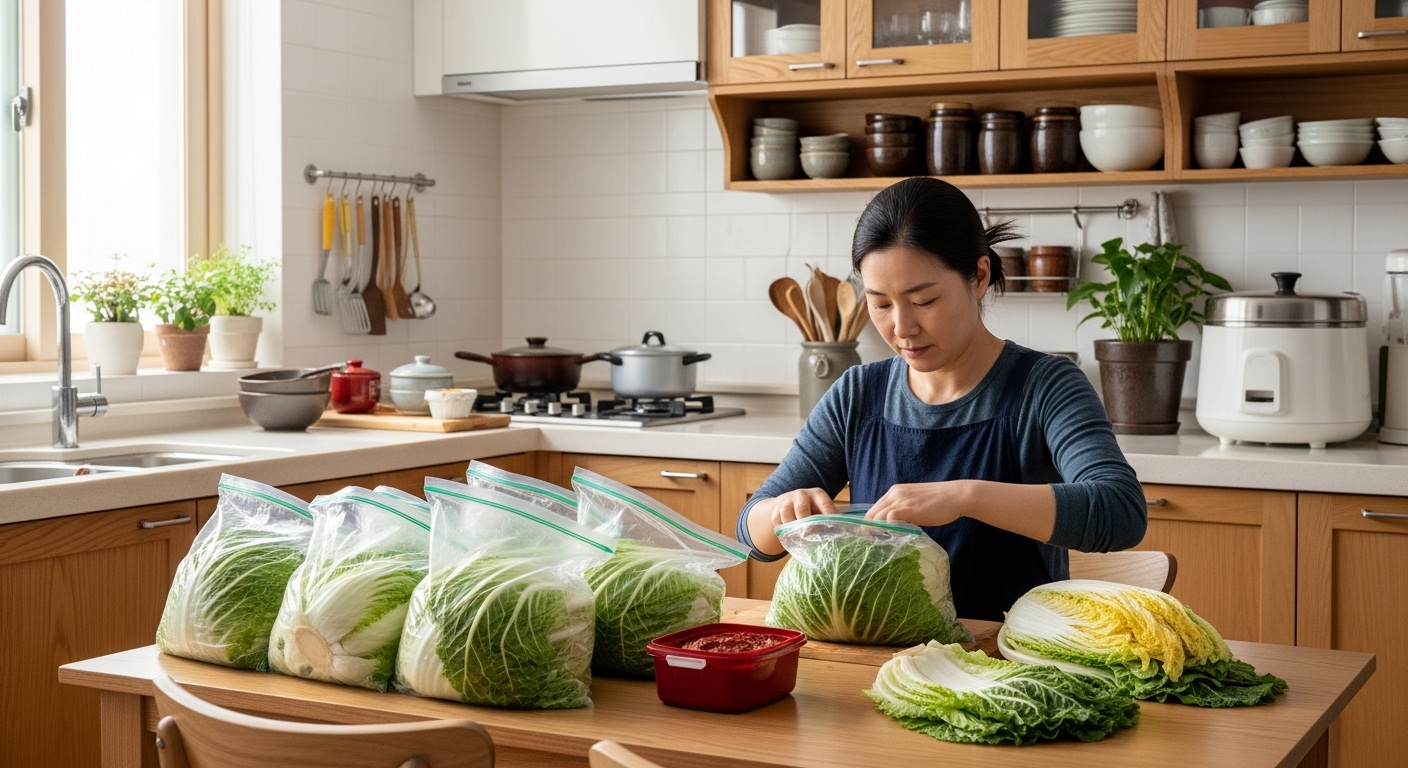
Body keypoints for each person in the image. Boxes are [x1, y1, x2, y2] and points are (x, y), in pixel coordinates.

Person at [737, 177, 1147, 622]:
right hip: (886, 654)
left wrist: (966, 496)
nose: (902, 327)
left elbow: (1120, 510)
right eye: (880, 305)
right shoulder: (858, 394)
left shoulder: (1045, 387)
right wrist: (783, 513)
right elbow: (749, 534)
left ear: (980, 277)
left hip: (1005, 660)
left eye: (925, 300)